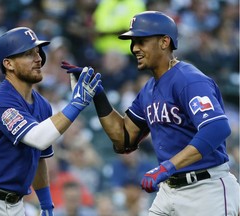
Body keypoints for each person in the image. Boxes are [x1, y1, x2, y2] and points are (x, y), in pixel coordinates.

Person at [61, 11, 239, 216]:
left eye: (141, 41)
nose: (134, 48)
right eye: (133, 42)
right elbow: (124, 140)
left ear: (164, 42)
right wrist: (98, 96)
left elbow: (217, 128)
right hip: (169, 190)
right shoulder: (148, 89)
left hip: (206, 189)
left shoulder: (189, 79)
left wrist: (167, 167)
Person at [0, 27, 102, 216]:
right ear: (9, 64)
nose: (38, 58)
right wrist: (77, 103)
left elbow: (39, 158)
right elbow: (38, 138)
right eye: (28, 54)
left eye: (38, 52)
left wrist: (47, 204)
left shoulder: (43, 105)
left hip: (15, 205)